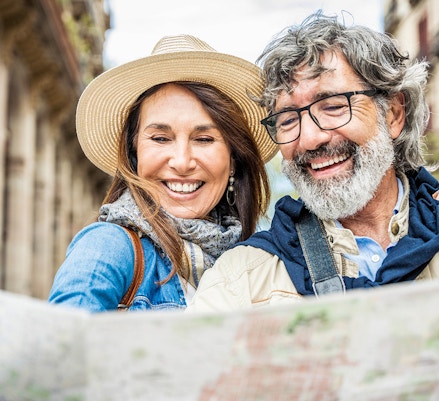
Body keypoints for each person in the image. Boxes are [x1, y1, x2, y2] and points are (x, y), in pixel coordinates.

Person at [187, 11, 439, 312]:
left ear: (394, 114)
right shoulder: (238, 281)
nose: (310, 139)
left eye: (333, 106)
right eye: (287, 120)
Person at [48, 35, 278, 312]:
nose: (182, 162)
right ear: (134, 154)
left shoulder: (261, 265)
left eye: (204, 139)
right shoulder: (107, 247)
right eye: (160, 138)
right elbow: (56, 348)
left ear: (234, 158)